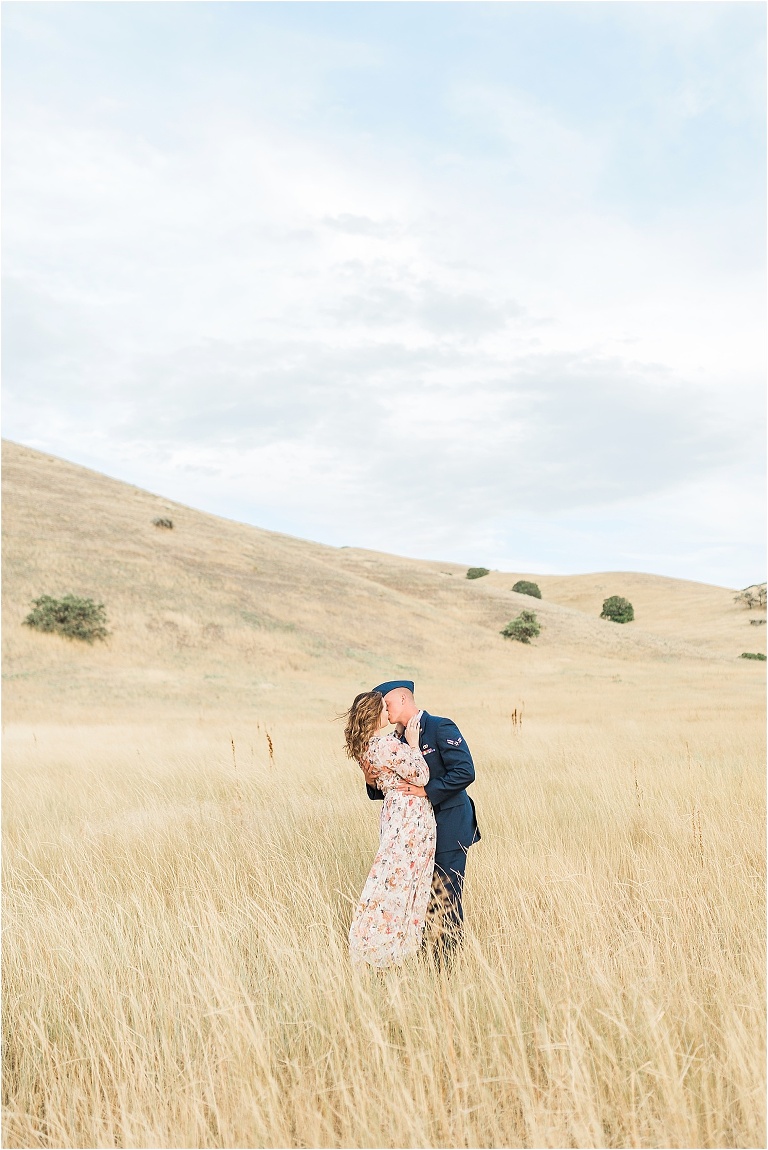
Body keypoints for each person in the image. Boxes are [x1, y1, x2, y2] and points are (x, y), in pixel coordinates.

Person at [362, 680, 480, 963]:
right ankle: (422, 961)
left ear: (403, 699)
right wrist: (370, 781)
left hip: (449, 828)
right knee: (417, 900)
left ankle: (446, 969)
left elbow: (465, 771)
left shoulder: (440, 726)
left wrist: (427, 790)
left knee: (445, 899)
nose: (384, 710)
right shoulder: (396, 740)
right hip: (413, 836)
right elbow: (394, 790)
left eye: (387, 703)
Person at [344, 690, 436, 969]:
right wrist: (413, 744)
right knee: (407, 882)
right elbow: (422, 774)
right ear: (375, 715)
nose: (388, 712)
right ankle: (392, 949)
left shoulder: (365, 749)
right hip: (411, 817)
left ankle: (381, 945)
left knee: (389, 877)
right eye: (383, 709)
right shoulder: (386, 745)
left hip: (393, 815)